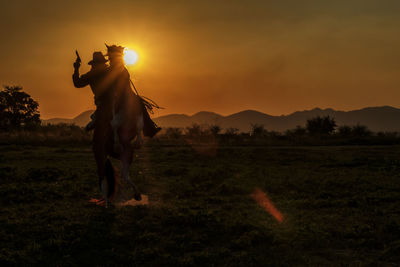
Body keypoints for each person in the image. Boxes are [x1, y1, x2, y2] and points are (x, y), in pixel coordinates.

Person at [105, 44, 161, 139]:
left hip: (122, 94)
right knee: (140, 104)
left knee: (139, 104)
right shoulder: (121, 69)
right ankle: (150, 128)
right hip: (126, 94)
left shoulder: (115, 69)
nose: (110, 59)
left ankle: (149, 129)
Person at [72, 51, 110, 131]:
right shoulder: (110, 72)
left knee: (96, 124)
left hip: (102, 104)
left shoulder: (92, 74)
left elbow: (77, 83)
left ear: (94, 64)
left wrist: (76, 68)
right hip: (114, 100)